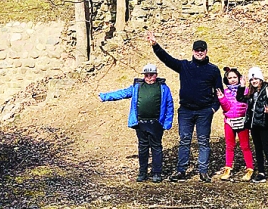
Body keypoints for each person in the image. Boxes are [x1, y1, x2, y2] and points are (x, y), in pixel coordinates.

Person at [146, 32, 223, 183]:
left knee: (203, 141)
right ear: (193, 51)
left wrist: (213, 108)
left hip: (204, 111)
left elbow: (220, 92)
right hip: (186, 110)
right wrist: (155, 45)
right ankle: (181, 170)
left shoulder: (213, 70)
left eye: (202, 50)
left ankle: (203, 171)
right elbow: (167, 59)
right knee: (184, 140)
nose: (199, 52)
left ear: (206, 52)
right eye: (197, 50)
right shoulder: (184, 66)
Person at [98, 63, 175, 183]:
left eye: (152, 75)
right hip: (140, 123)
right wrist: (104, 96)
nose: (149, 77)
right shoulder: (137, 86)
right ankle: (142, 172)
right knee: (143, 148)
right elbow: (122, 93)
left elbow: (170, 105)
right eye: (147, 75)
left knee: (156, 148)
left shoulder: (163, 88)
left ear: (156, 75)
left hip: (156, 123)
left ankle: (157, 173)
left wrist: (167, 123)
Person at [236, 66, 268, 187]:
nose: (254, 81)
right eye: (252, 79)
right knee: (258, 148)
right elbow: (240, 98)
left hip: (264, 123)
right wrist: (242, 86)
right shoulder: (251, 92)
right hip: (253, 124)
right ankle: (261, 172)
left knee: (267, 148)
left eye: (256, 79)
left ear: (260, 78)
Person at [215, 66, 255, 181]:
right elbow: (226, 108)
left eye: (235, 77)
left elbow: (245, 104)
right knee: (229, 146)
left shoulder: (246, 90)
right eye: (230, 78)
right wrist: (222, 99)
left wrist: (242, 88)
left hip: (242, 121)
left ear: (239, 78)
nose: (232, 80)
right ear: (226, 79)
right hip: (229, 122)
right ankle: (228, 168)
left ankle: (249, 169)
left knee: (245, 146)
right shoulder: (225, 92)